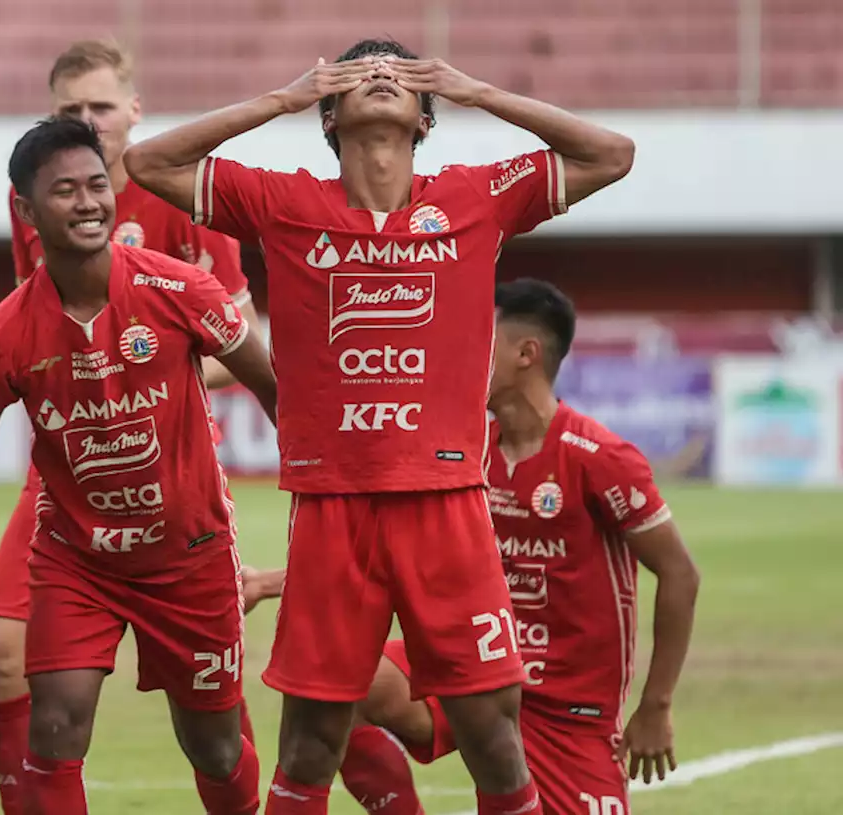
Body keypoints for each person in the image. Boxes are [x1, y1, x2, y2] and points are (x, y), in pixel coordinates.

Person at [124, 37, 636, 815]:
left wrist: (477, 88)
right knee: (308, 746)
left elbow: (613, 152)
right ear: (329, 114)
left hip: (449, 502)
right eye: (359, 74)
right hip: (334, 509)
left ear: (426, 118)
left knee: (495, 739)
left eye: (399, 74)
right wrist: (280, 100)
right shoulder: (284, 202)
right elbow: (147, 163)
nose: (380, 76)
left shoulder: (474, 197)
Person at [0, 117, 280, 815]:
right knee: (55, 725)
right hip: (77, 561)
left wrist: (321, 504)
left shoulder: (182, 291)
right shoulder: (1, 337)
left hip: (191, 556)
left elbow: (272, 388)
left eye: (95, 185)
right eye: (63, 191)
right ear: (26, 213)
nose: (87, 202)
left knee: (215, 745)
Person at [340, 279, 702, 815]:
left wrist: (656, 706)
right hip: (474, 667)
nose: (460, 354)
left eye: (478, 340)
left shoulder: (599, 458)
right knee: (338, 683)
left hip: (565, 710)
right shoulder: (463, 451)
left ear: (526, 355)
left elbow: (680, 574)